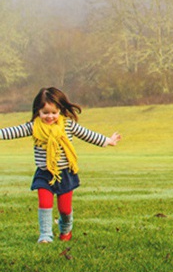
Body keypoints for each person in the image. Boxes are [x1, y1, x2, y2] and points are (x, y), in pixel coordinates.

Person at [0, 87, 122, 243]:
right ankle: (45, 235)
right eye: (45, 113)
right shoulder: (34, 127)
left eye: (53, 112)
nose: (49, 116)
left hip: (65, 173)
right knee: (44, 203)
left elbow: (87, 134)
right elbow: (12, 132)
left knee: (64, 209)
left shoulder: (68, 125)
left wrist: (107, 141)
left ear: (60, 111)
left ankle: (65, 230)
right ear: (38, 112)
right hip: (45, 173)